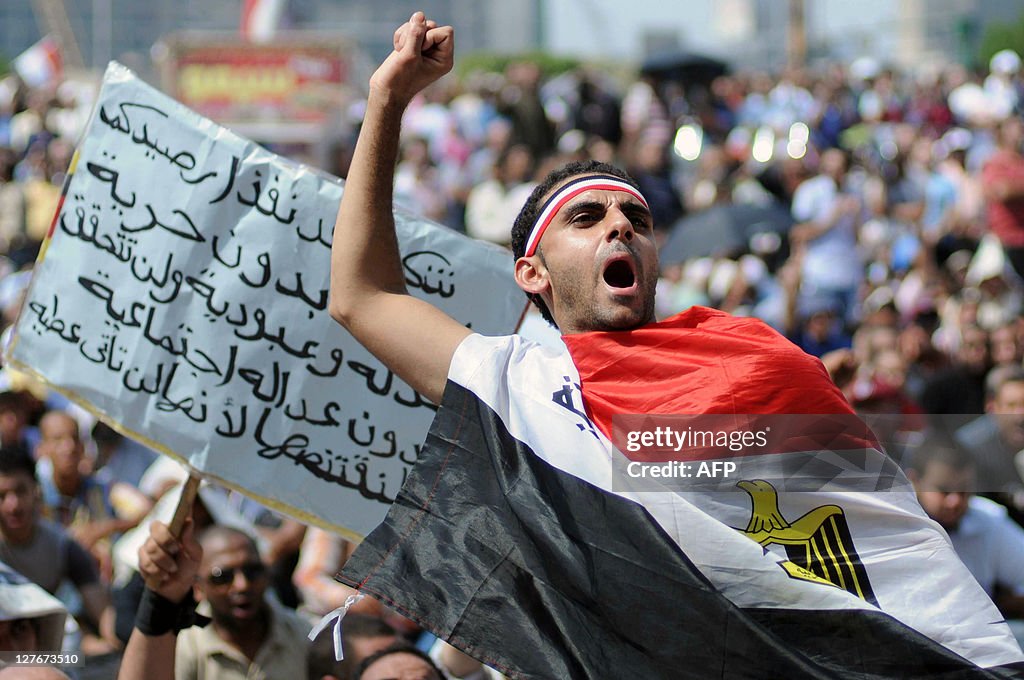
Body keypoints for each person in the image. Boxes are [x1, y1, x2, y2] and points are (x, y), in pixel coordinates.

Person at [325, 12, 1024, 678]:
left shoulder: (753, 354)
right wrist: (387, 98)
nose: (620, 228)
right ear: (531, 273)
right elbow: (363, 298)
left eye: (637, 217)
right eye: (588, 218)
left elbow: (875, 535)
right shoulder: (518, 386)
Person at [117, 522, 310, 680]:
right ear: (198, 588)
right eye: (222, 577)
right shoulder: (182, 646)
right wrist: (159, 598)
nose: (242, 585)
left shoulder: (305, 634)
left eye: (253, 571)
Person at [907, 433, 1024, 642]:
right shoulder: (895, 526)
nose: (954, 501)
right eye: (943, 490)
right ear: (914, 481)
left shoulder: (987, 519)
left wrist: (999, 603)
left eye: (963, 490)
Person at [0, 444, 117, 653]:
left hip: (49, 653)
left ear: (36, 491)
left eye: (20, 491)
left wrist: (114, 643)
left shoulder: (63, 546)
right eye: (2, 496)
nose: (13, 505)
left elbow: (105, 616)